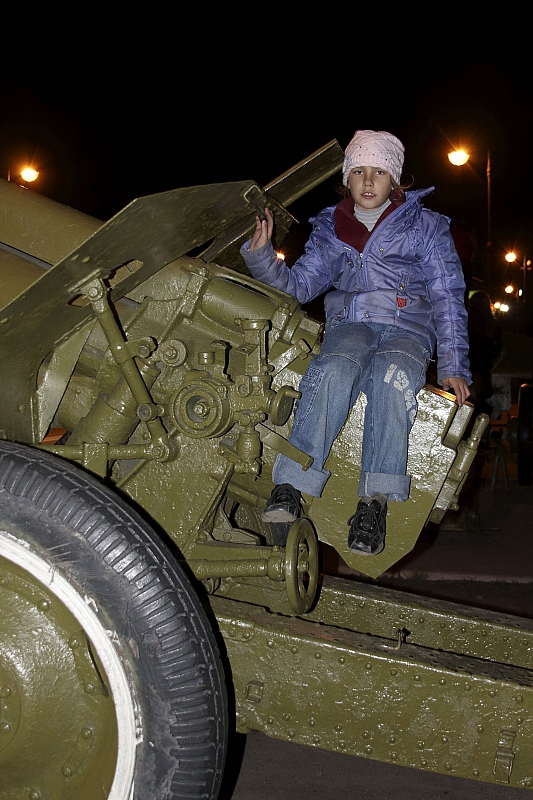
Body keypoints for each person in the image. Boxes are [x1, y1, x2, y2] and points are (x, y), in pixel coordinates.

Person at [240, 130, 471, 556]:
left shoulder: (425, 227)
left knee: (392, 379)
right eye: (359, 172)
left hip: (408, 329)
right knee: (332, 371)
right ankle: (290, 486)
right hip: (350, 325)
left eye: (379, 172)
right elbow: (301, 284)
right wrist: (261, 257)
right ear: (347, 179)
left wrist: (455, 365)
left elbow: (446, 294)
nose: (368, 181)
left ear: (395, 181)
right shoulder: (331, 228)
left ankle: (373, 502)